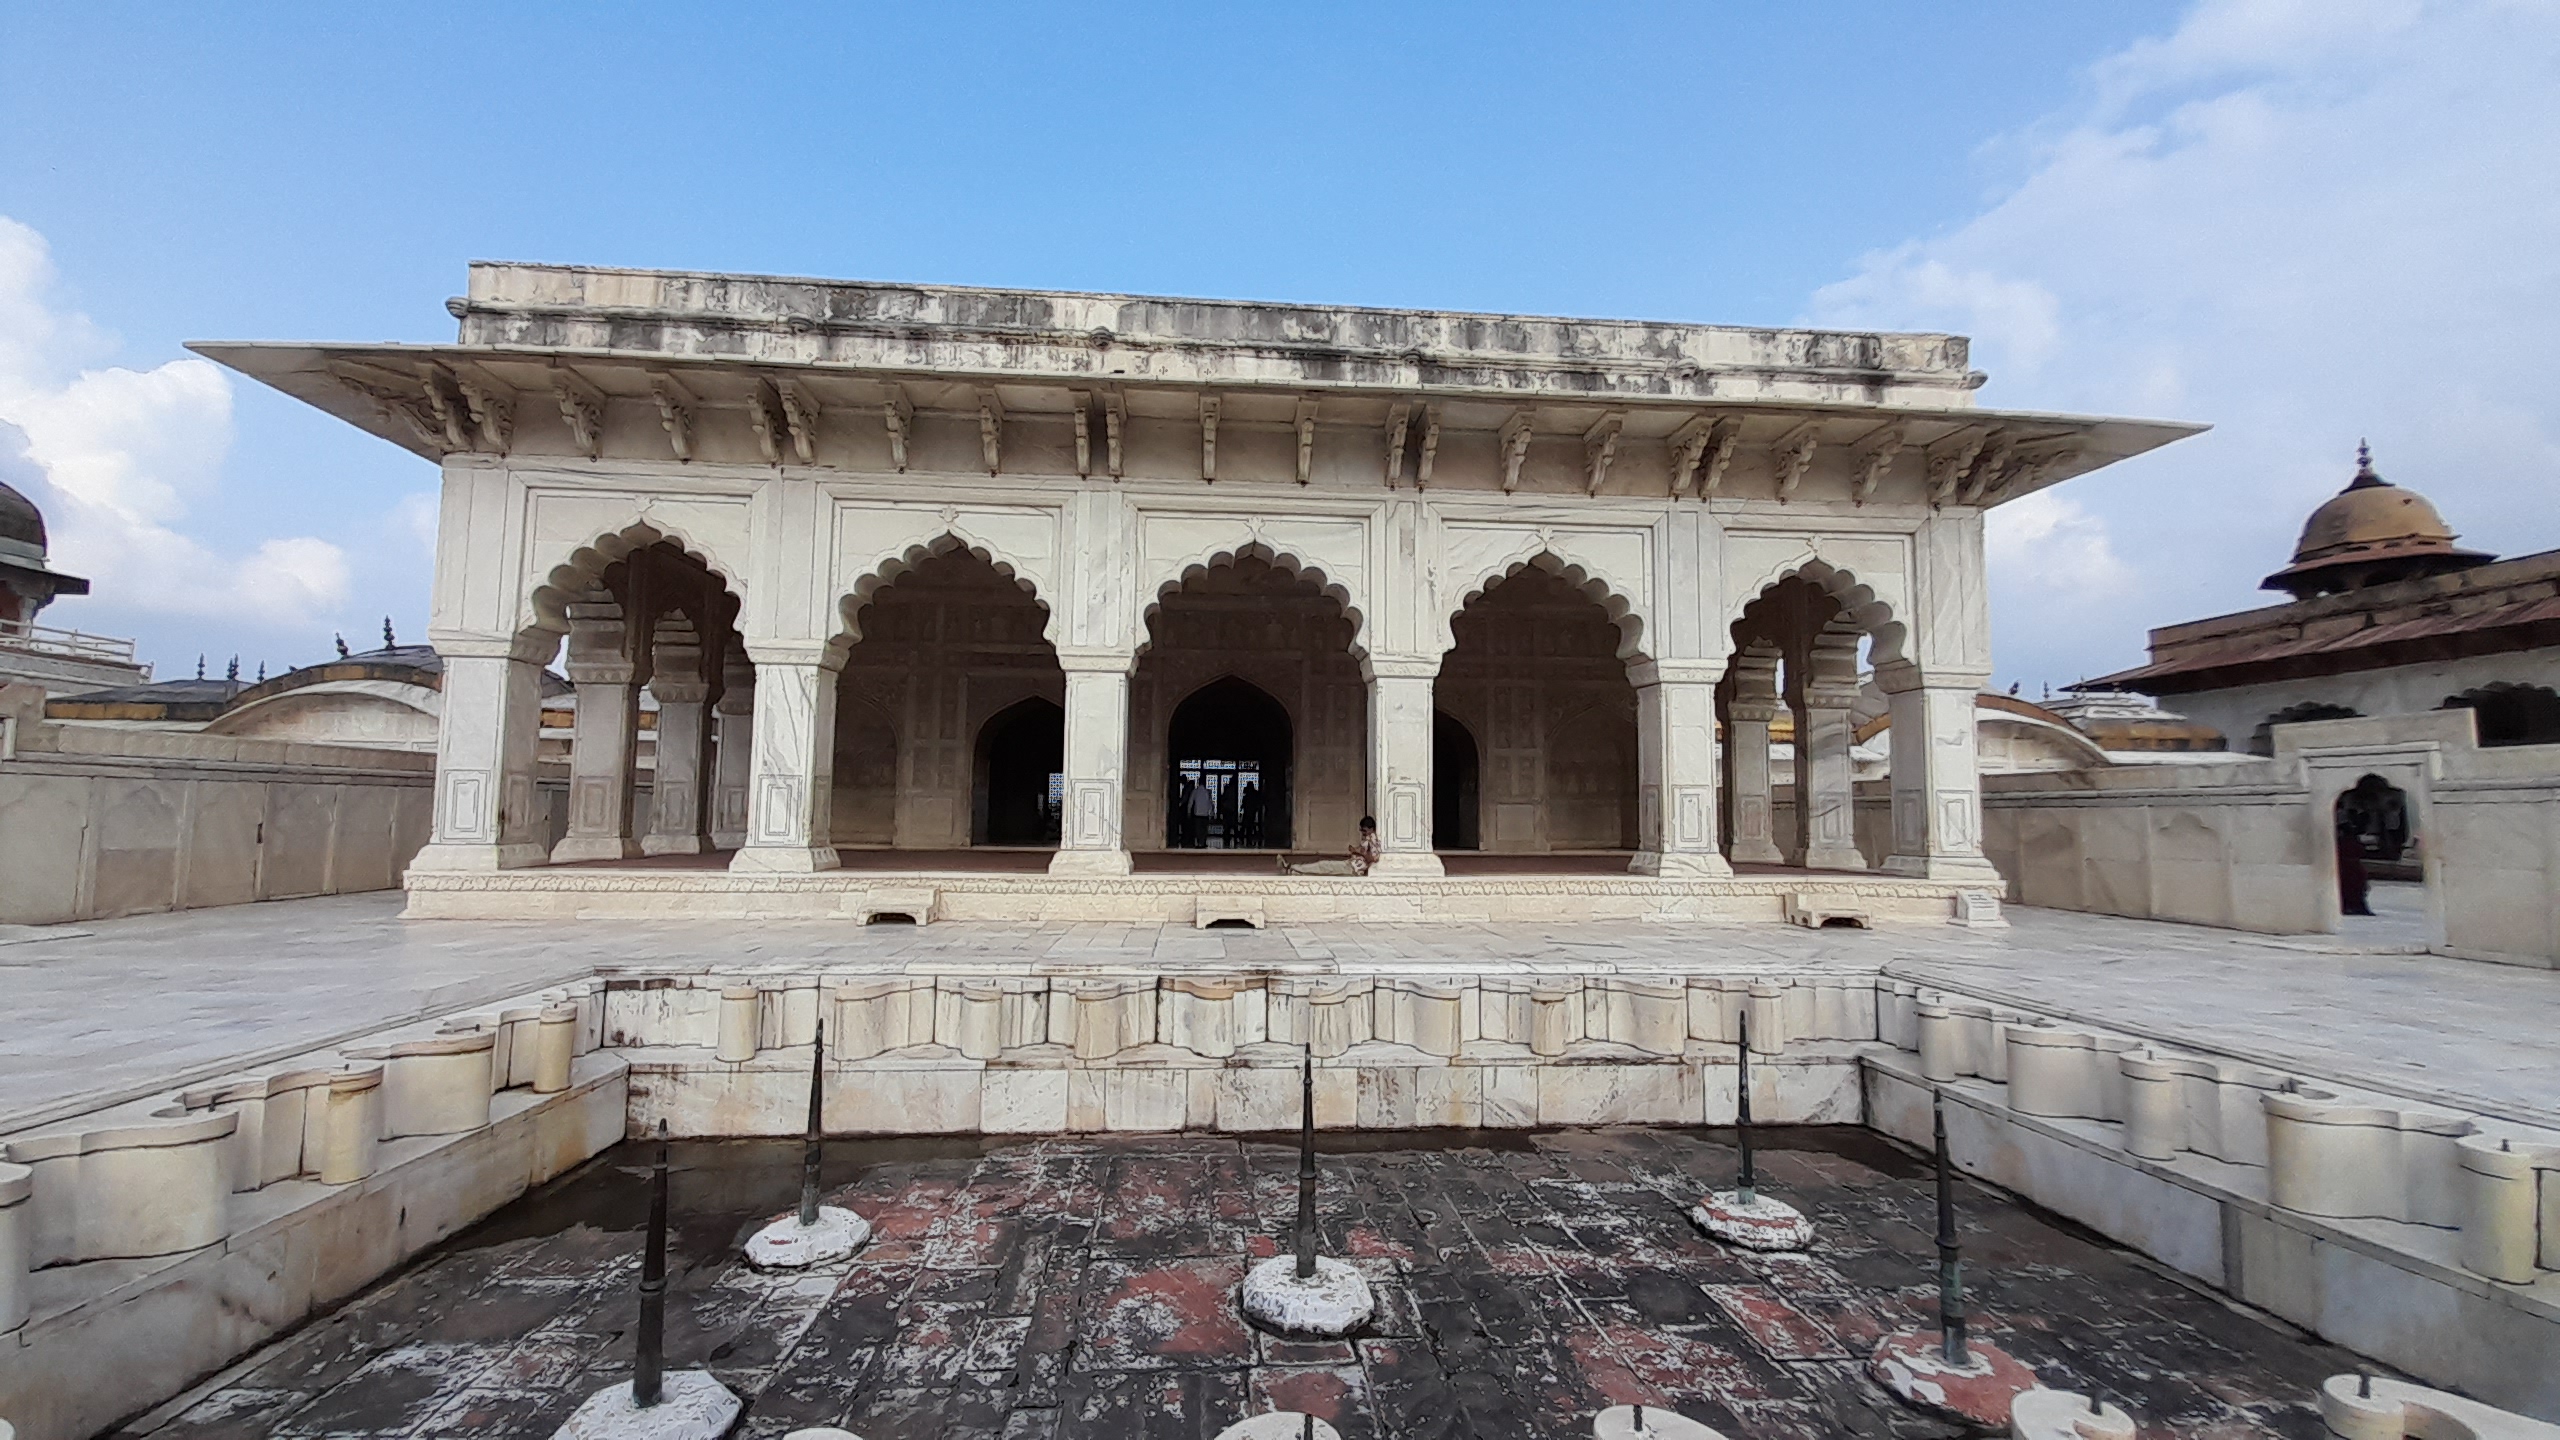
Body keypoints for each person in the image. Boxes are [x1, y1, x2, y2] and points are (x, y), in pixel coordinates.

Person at [1280, 816, 1381, 876]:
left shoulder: (1372, 839)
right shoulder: (1368, 838)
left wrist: (1358, 851)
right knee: (1323, 867)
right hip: (1351, 865)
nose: (1363, 833)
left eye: (1364, 830)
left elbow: (1373, 858)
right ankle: (1294, 870)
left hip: (1353, 868)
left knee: (1323, 866)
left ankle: (1291, 867)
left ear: (1371, 829)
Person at [2336, 813, 2373, 916]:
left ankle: (2349, 906)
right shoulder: (2353, 841)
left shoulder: (2340, 842)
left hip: (2346, 868)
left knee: (2349, 888)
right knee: (2354, 889)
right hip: (2353, 868)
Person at [1186, 773, 1219, 848]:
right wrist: (1212, 813)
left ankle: (1199, 842)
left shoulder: (1195, 791)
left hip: (1197, 813)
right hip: (1205, 814)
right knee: (1204, 829)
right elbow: (1210, 803)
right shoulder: (1207, 792)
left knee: (1198, 829)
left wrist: (1188, 811)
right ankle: (1203, 841)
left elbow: (1190, 802)